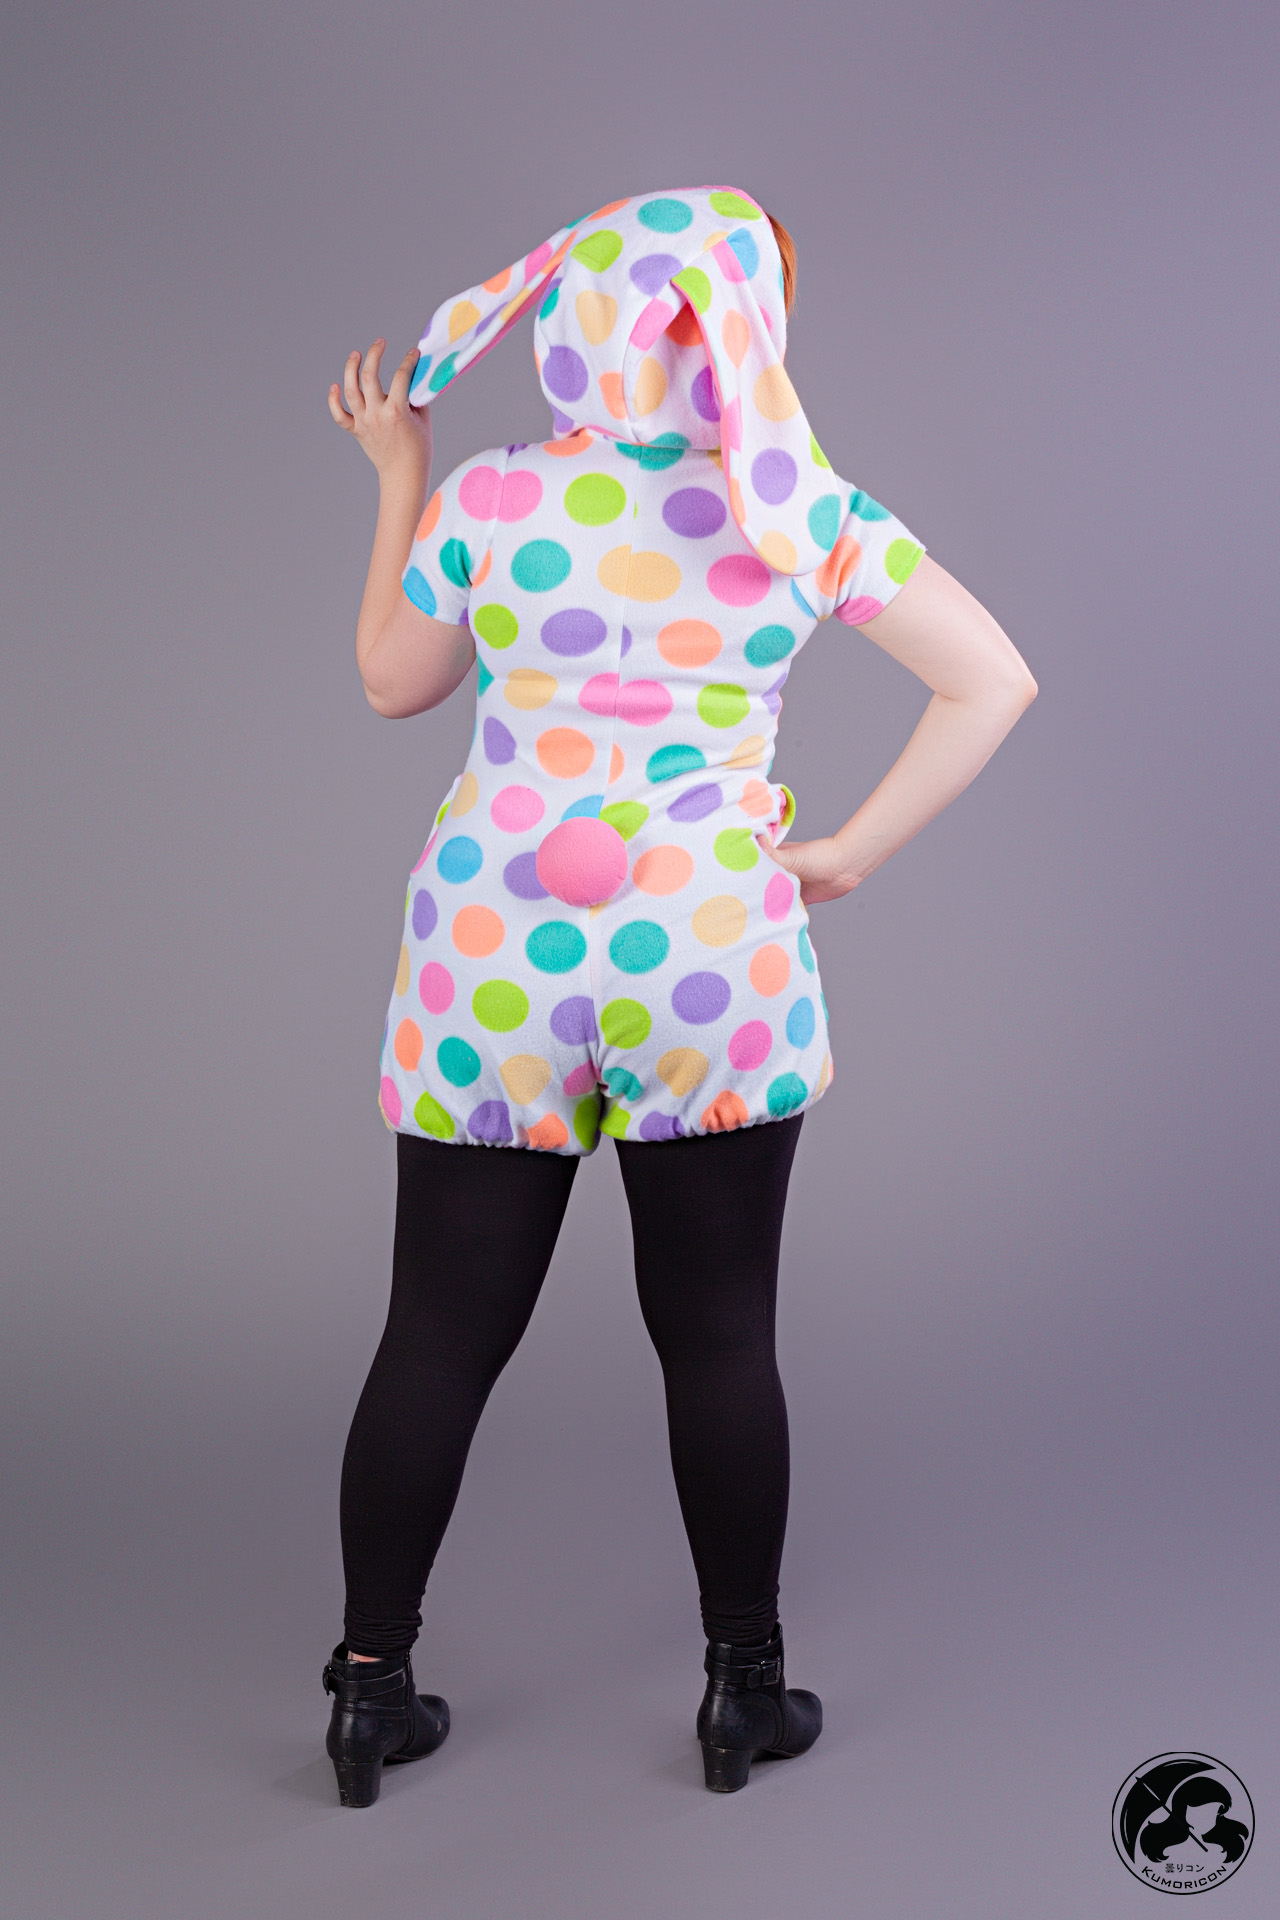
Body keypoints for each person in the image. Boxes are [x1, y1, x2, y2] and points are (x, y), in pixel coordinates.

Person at [321, 185, 1037, 1808]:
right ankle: (743, 1695)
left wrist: (401, 470)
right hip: (708, 947)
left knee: (436, 1330)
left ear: (577, 318)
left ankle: (366, 1691)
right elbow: (993, 678)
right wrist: (845, 850)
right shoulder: (797, 509)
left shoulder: (498, 496)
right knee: (717, 1334)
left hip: (490, 949)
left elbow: (391, 682)